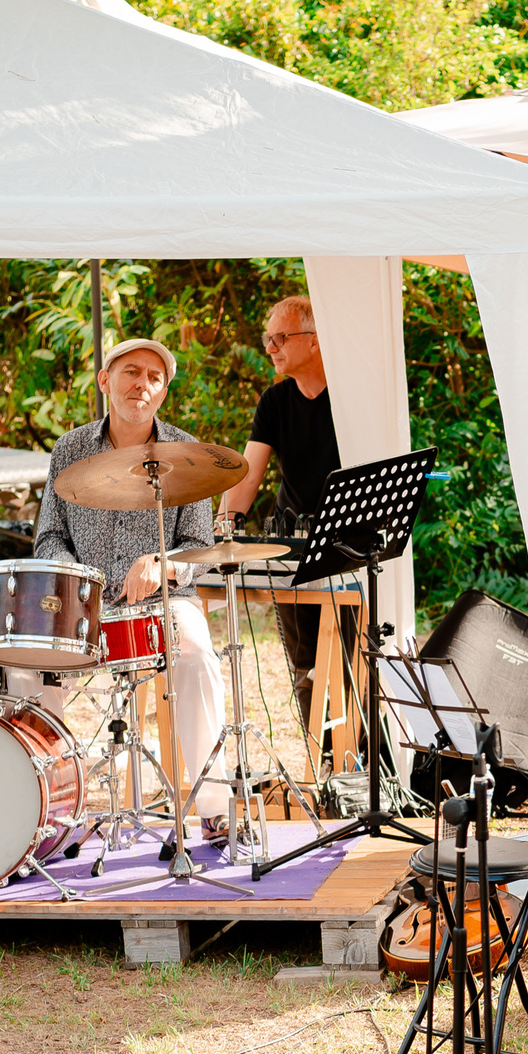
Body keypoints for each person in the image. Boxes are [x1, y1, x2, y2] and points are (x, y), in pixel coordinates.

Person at [35, 338, 228, 826]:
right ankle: (48, 807)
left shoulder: (187, 453)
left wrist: (160, 563)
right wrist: (78, 581)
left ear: (163, 393)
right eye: (131, 372)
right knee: (26, 668)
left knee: (199, 654)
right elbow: (49, 536)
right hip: (83, 606)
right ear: (105, 380)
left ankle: (215, 808)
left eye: (154, 377)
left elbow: (199, 547)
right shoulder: (70, 448)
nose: (142, 383)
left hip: (165, 604)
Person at [218, 294, 358, 736]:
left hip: (349, 548)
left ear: (314, 341)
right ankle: (324, 767)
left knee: (354, 663)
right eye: (268, 339)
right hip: (291, 547)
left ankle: (363, 762)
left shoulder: (353, 394)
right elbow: (247, 474)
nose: (270, 347)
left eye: (280, 337)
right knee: (304, 665)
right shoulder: (274, 401)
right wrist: (225, 526)